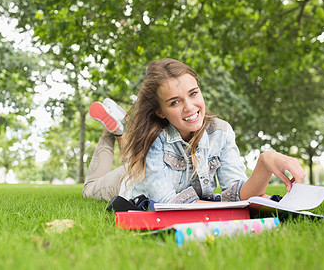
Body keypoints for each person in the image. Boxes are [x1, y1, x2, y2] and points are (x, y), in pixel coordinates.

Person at [83, 58, 306, 204]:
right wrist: (227, 205)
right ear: (160, 112)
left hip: (140, 166)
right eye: (174, 102)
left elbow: (238, 194)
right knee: (90, 188)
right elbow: (169, 202)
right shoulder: (154, 138)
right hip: (130, 183)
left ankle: (120, 131)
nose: (190, 107)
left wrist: (266, 161)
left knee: (133, 160)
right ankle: (110, 133)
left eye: (193, 93)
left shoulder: (221, 132)